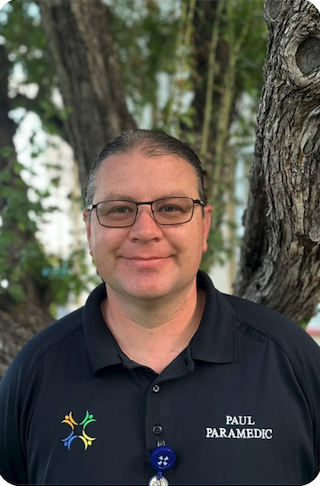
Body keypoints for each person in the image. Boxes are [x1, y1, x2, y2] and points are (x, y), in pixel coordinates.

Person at [0, 129, 319, 486]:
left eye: (170, 208)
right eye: (119, 210)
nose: (145, 231)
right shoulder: (33, 373)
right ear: (90, 229)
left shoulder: (292, 361)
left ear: (204, 225)